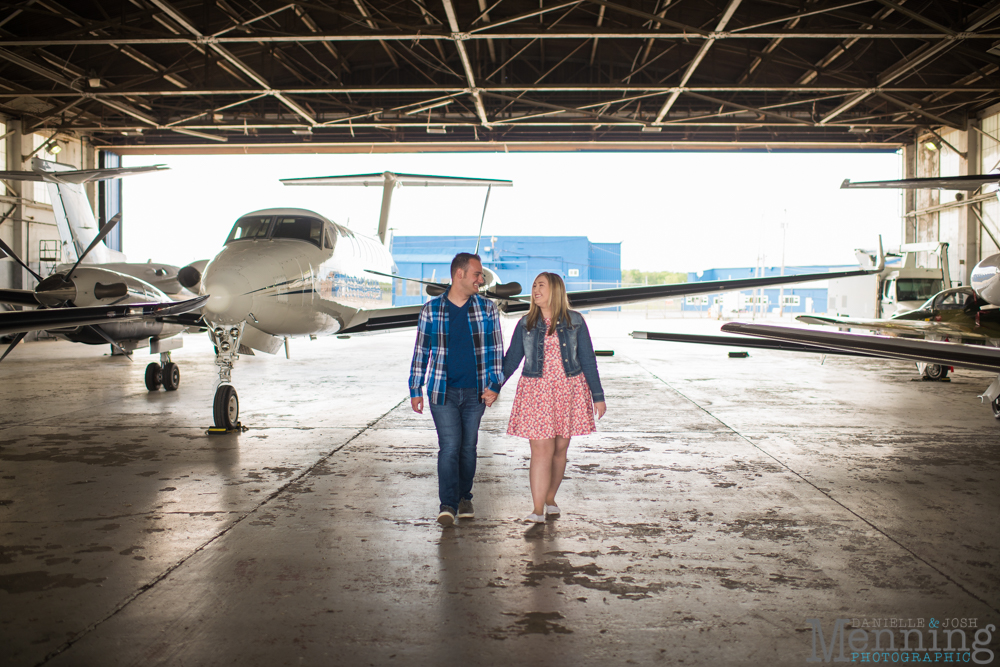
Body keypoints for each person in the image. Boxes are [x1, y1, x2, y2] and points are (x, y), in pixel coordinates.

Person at [501, 272, 607, 523]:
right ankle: (537, 509)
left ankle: (550, 498)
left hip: (568, 390)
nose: (535, 290)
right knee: (541, 449)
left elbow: (588, 360)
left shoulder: (576, 321)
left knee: (560, 449)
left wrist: (598, 396)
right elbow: (511, 360)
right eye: (534, 285)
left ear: (556, 290)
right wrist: (493, 387)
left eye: (541, 285)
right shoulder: (525, 323)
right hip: (536, 391)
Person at [409, 253, 504, 527]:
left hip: (476, 393)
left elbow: (496, 350)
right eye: (477, 274)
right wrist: (415, 387)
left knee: (468, 449)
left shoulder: (487, 309)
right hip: (442, 392)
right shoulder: (431, 310)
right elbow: (421, 352)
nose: (481, 279)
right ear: (459, 274)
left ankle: (465, 497)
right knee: (449, 447)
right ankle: (448, 504)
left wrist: (494, 384)